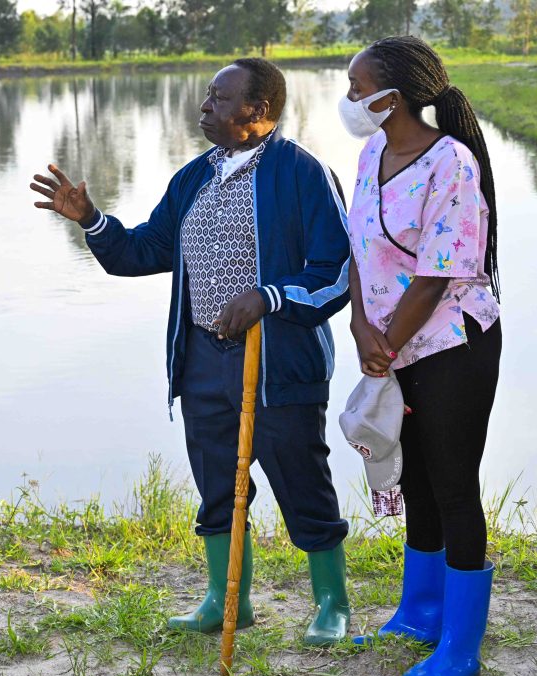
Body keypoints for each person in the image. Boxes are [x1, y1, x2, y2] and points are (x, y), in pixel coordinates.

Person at [30, 58, 353, 644]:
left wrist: (270, 297)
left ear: (257, 111)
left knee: (302, 481)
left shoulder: (302, 173)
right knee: (217, 487)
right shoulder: (192, 178)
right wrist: (92, 220)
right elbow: (142, 251)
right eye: (208, 96)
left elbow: (338, 273)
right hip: (203, 360)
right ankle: (224, 599)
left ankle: (332, 603)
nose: (205, 107)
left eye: (219, 98)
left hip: (279, 365)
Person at [340, 36, 502, 676]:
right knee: (415, 481)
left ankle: (460, 648)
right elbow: (358, 244)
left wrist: (387, 343)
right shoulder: (370, 152)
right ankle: (420, 611)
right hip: (389, 345)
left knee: (455, 486)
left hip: (451, 345)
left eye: (357, 89)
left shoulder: (451, 163)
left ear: (392, 97)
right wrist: (359, 323)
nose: (350, 101)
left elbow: (439, 273)